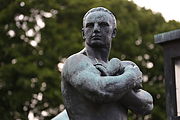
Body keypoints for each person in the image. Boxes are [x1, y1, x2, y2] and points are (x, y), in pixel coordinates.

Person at [53, 7, 153, 120]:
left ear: (114, 32)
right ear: (83, 33)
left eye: (103, 25)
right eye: (90, 25)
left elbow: (146, 105)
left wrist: (113, 80)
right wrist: (131, 77)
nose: (96, 29)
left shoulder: (122, 68)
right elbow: (100, 91)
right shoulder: (75, 62)